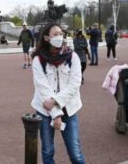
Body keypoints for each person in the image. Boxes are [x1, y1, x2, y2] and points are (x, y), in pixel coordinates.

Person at [31, 23, 85, 164]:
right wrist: (56, 114)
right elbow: (42, 88)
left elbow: (74, 85)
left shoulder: (72, 57)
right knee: (48, 152)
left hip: (69, 109)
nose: (59, 36)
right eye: (55, 34)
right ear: (46, 38)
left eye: (61, 33)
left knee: (75, 154)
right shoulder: (38, 60)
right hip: (45, 110)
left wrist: (55, 102)